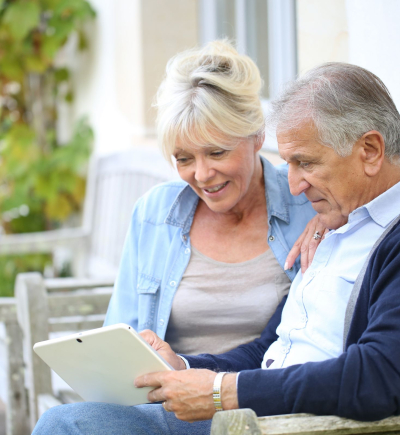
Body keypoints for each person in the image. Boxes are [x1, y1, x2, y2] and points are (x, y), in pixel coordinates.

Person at [38, 60, 400, 435]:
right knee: (68, 423)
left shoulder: (369, 231)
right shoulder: (335, 223)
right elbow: (270, 348)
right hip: (250, 410)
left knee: (68, 426)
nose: (295, 186)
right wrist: (184, 367)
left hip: (290, 422)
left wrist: (221, 391)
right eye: (183, 158)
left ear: (370, 151)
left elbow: (379, 375)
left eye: (305, 163)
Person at [102, 39, 317, 357]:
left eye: (216, 152)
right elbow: (120, 335)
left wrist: (331, 217)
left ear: (257, 136)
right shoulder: (154, 213)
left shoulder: (309, 201)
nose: (201, 175)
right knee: (65, 411)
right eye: (184, 159)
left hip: (270, 398)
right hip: (171, 398)